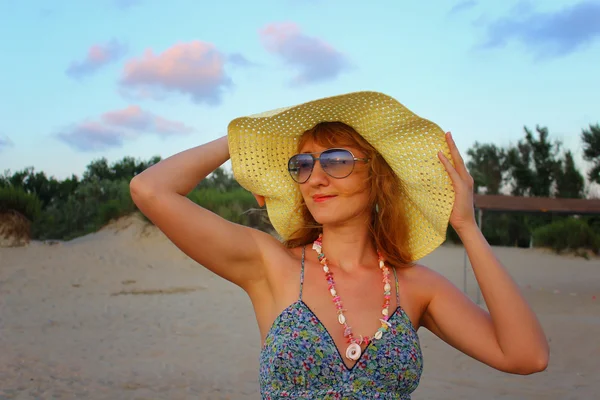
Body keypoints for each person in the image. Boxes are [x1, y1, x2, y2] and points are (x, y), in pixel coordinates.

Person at [129, 91, 549, 399]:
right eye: (303, 165)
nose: (316, 177)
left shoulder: (417, 287)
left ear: (378, 176)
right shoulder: (269, 265)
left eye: (336, 161)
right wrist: (247, 139)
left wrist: (467, 227)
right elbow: (151, 190)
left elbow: (526, 357)